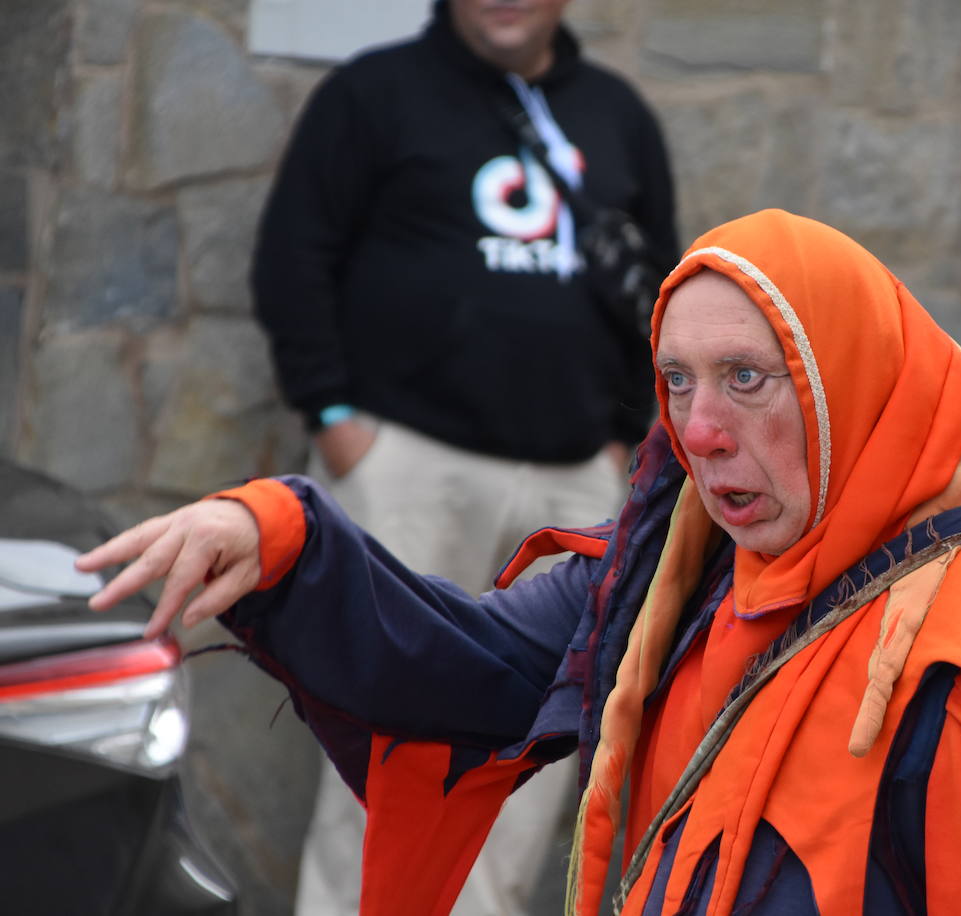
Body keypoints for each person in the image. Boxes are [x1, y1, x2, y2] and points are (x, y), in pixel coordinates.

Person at [82, 210, 961, 915]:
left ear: (852, 383)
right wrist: (279, 536)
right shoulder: (677, 570)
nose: (703, 429)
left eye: (747, 377)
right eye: (677, 382)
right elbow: (460, 660)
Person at [249, 0, 677, 912]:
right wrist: (338, 422)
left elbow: (665, 289)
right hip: (408, 466)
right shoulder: (373, 93)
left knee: (544, 747)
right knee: (381, 731)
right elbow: (294, 257)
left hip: (575, 478)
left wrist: (622, 440)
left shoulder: (618, 114)